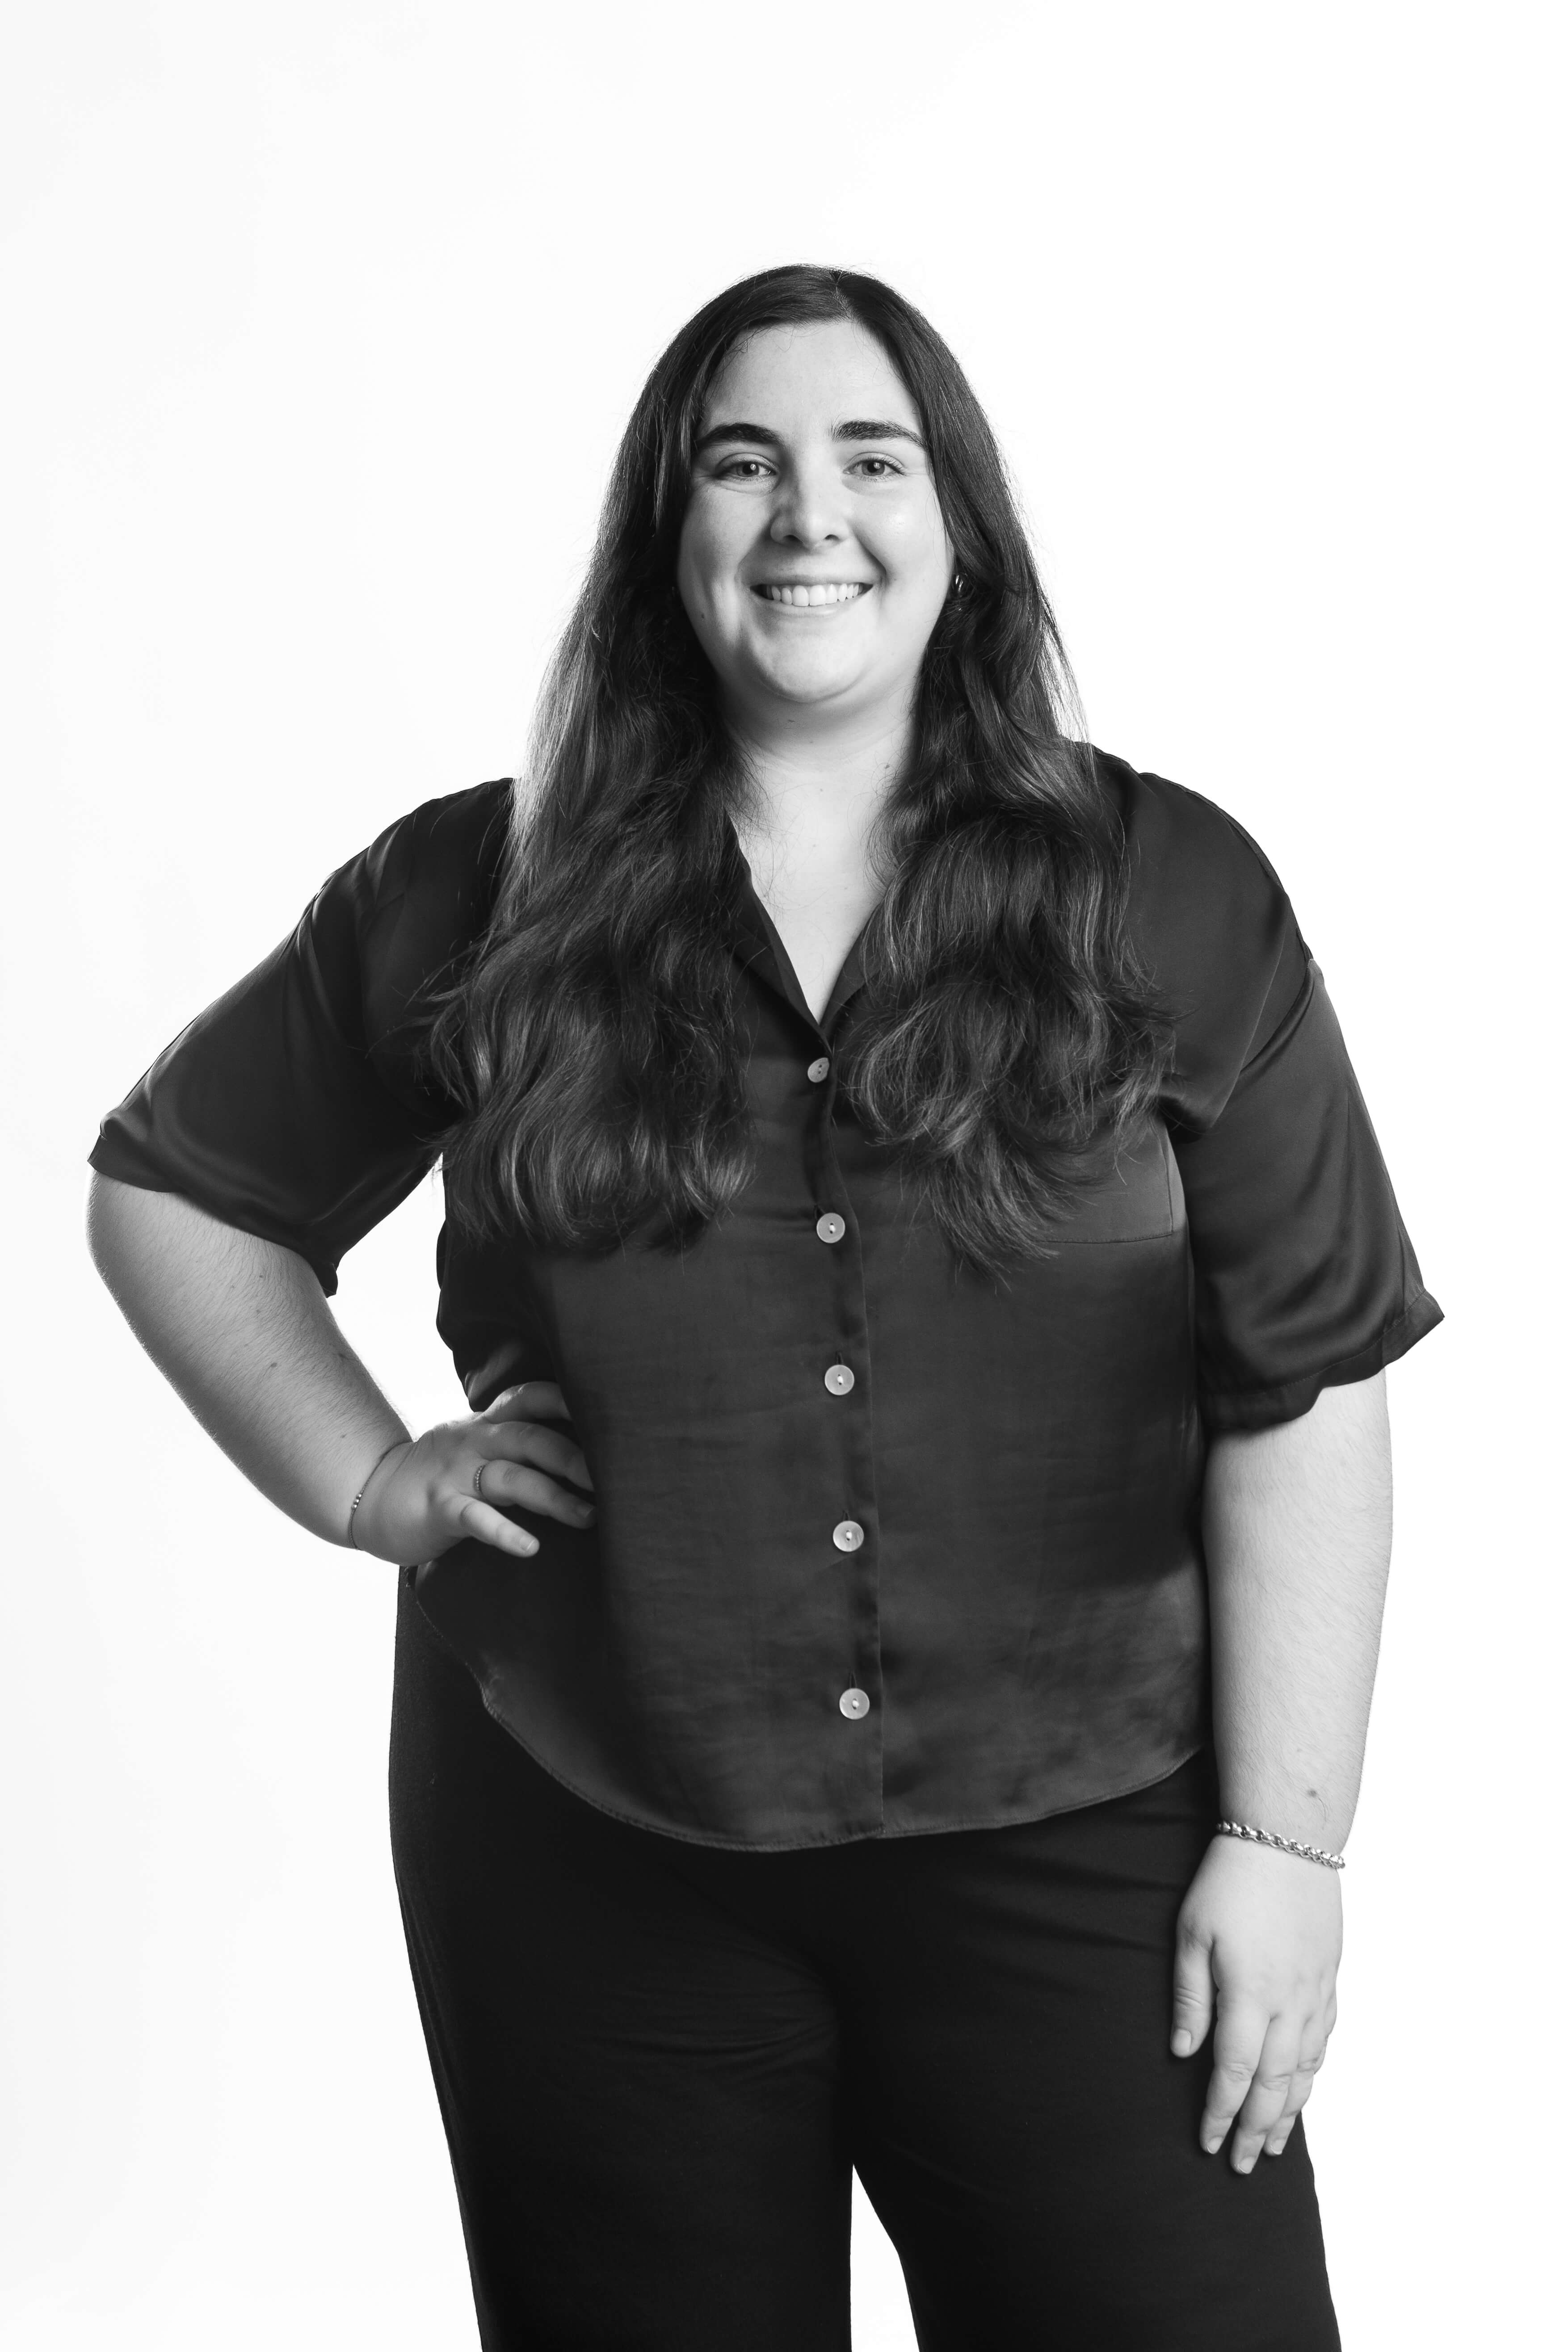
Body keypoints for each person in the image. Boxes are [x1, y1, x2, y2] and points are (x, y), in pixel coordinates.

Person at [86, 263, 1441, 2351]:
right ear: (669, 530)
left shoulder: (1167, 891)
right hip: (584, 1841)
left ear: (956, 521)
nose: (809, 515)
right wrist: (368, 1479)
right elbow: (176, 1187)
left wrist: (1287, 1842)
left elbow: (1303, 1385)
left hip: (1083, 1839)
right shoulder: (476, 894)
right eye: (742, 464)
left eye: (870, 460)